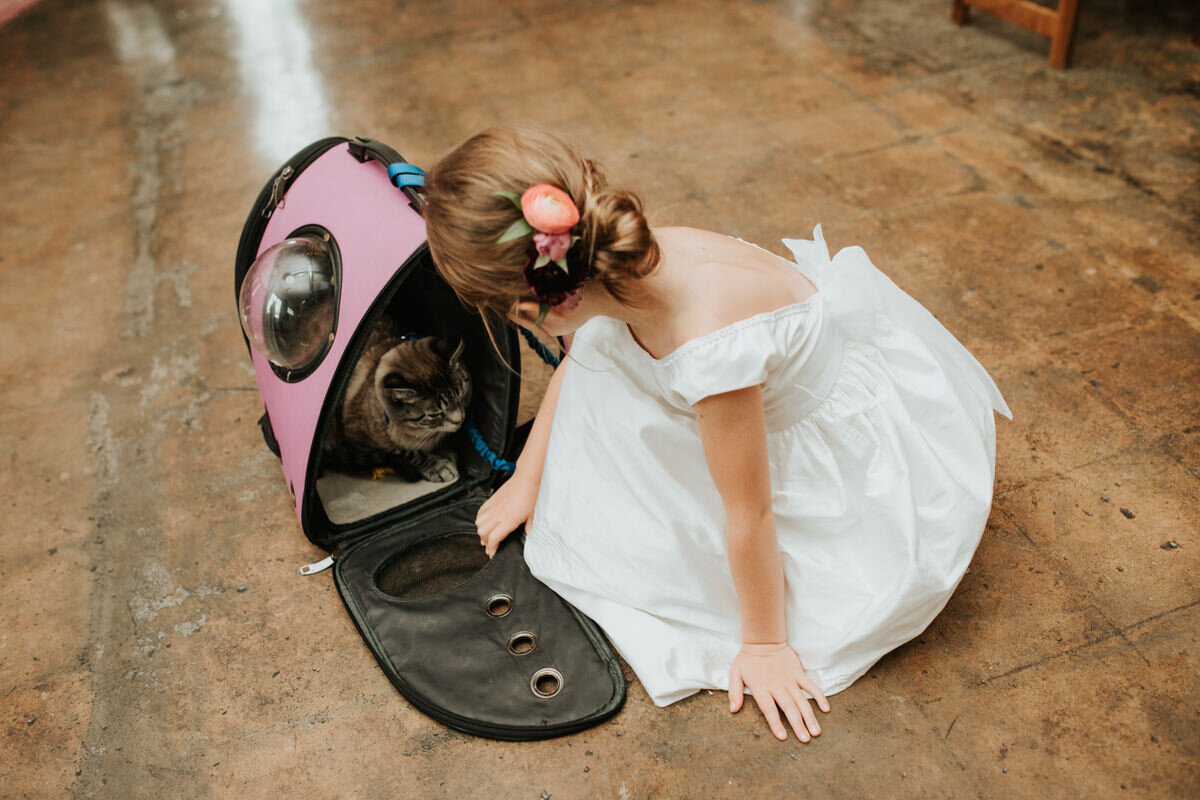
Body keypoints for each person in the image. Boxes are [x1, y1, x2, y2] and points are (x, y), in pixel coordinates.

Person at [422, 126, 1011, 743]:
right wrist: (530, 480)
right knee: (604, 381)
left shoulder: (708, 344)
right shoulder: (618, 268)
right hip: (732, 397)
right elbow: (583, 354)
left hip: (805, 437)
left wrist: (763, 645)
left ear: (536, 305)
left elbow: (750, 511)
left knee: (677, 562)